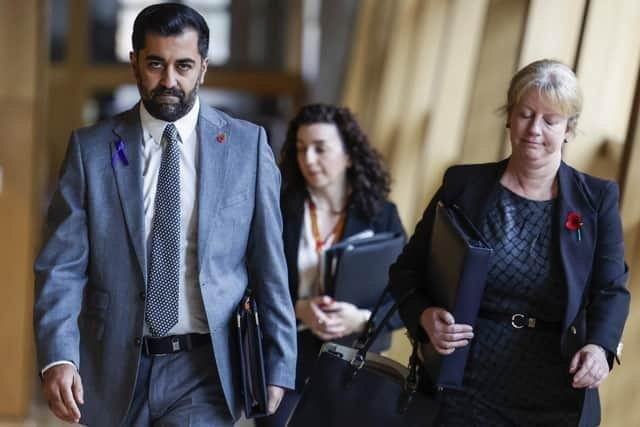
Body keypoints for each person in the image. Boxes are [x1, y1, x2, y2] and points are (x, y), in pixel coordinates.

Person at [33, 3, 296, 426]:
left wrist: (279, 362)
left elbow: (270, 265)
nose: (169, 80)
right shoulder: (91, 150)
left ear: (203, 68)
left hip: (205, 370)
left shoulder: (247, 148)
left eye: (184, 65)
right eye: (156, 64)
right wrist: (58, 356)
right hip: (113, 368)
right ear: (135, 62)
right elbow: (61, 267)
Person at [389, 59, 630, 426]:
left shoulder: (596, 200)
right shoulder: (463, 186)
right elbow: (407, 269)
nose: (534, 129)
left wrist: (600, 347)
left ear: (569, 129)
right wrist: (424, 316)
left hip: (555, 391)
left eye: (550, 121)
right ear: (508, 117)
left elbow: (611, 289)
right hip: (463, 385)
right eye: (525, 114)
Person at [255, 103, 406, 427]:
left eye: (320, 149)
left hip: (355, 364)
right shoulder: (278, 211)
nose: (308, 159)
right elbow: (247, 283)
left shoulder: (381, 216)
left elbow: (405, 294)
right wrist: (298, 308)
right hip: (285, 361)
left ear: (349, 155)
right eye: (301, 149)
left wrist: (361, 320)